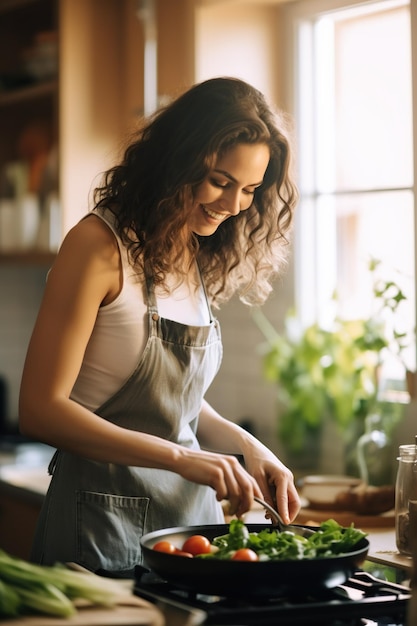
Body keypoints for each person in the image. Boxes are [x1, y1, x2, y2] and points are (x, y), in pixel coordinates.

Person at [19, 76, 300, 573]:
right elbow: (41, 410)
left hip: (189, 528)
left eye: (250, 190)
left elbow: (174, 403)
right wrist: (182, 459)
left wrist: (243, 444)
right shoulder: (98, 247)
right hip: (99, 528)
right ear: (178, 162)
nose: (234, 206)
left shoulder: (187, 245)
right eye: (220, 181)